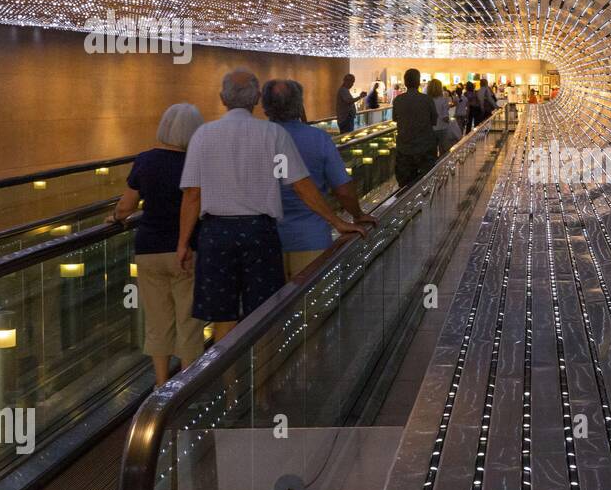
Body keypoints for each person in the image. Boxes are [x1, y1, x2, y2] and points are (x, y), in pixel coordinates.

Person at [178, 69, 370, 342]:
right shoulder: (272, 135)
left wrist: (183, 243)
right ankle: (269, 381)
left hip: (215, 234)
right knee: (264, 314)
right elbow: (302, 186)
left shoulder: (203, 136)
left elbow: (192, 195)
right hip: (262, 232)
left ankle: (230, 383)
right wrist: (339, 221)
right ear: (256, 98)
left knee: (223, 317)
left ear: (223, 98)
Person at [110, 103, 206, 386]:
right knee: (188, 323)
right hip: (187, 249)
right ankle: (185, 386)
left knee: (157, 322)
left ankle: (161, 384)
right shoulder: (197, 161)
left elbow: (126, 206)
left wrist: (115, 216)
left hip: (149, 248)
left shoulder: (145, 160)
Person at [262, 79, 378, 280]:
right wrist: (357, 214)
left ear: (265, 108)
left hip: (265, 240)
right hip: (310, 238)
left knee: (271, 308)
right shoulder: (318, 138)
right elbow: (342, 189)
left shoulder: (257, 138)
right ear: (299, 105)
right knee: (311, 305)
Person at [392, 68, 439, 188]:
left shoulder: (398, 100)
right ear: (418, 82)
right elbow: (434, 120)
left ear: (405, 82)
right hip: (425, 147)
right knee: (427, 182)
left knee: (405, 185)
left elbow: (395, 119)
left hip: (404, 148)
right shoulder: (427, 100)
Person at [427, 78, 457, 157]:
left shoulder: (427, 100)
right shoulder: (443, 100)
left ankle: (433, 168)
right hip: (442, 128)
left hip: (430, 129)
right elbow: (445, 117)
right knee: (444, 152)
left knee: (431, 152)